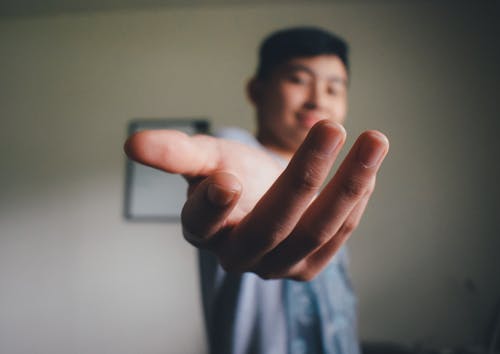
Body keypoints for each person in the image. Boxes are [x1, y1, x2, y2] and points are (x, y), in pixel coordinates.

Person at [125, 27, 389, 354]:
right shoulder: (238, 152)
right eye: (298, 79)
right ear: (256, 90)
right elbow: (236, 165)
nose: (318, 99)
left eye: (334, 88)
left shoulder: (331, 193)